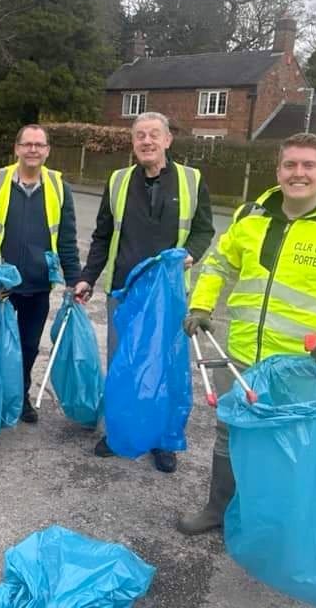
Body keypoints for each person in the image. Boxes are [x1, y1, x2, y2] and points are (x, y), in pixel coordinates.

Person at [178, 131, 316, 535]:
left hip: (299, 364)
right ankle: (218, 509)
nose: (298, 173)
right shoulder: (250, 216)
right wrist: (201, 305)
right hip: (240, 354)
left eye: (308, 165)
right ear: (278, 171)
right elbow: (219, 265)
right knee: (230, 436)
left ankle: (272, 526)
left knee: (287, 447)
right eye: (290, 165)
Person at [74, 111, 215, 473]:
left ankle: (161, 440)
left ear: (168, 140)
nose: (147, 141)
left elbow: (203, 230)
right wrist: (88, 276)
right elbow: (103, 235)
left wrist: (191, 254)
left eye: (154, 135)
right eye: (140, 136)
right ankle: (119, 433)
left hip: (168, 296)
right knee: (122, 364)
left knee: (164, 366)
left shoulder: (192, 180)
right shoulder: (119, 181)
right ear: (133, 143)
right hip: (124, 290)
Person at [0, 124, 80, 423]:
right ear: (17, 148)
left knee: (27, 346)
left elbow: (66, 237)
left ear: (48, 150)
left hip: (38, 286)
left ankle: (20, 396)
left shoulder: (58, 186)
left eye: (39, 144)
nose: (33, 149)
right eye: (27, 144)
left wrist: (75, 280)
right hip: (1, 285)